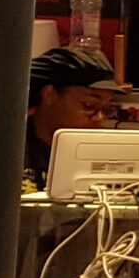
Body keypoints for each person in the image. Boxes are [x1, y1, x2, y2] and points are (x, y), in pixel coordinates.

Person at [25, 47, 120, 179]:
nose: (100, 118)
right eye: (89, 105)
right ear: (49, 95)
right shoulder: (9, 149)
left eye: (108, 109)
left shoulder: (102, 153)